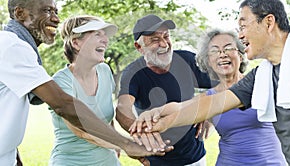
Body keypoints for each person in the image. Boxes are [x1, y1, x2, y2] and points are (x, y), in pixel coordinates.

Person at [130, 0, 290, 165]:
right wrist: (160, 120)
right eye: (215, 51)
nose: (241, 35)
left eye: (243, 26)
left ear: (268, 22)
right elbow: (209, 104)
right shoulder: (261, 76)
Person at [0, 0, 163, 165]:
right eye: (48, 10)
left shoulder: (104, 71)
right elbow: (65, 106)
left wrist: (14, 159)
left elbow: (7, 112)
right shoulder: (12, 46)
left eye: (56, 11)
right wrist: (127, 144)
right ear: (20, 14)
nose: (56, 19)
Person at [116, 14, 211, 166]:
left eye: (166, 36)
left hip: (196, 158)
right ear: (139, 47)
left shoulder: (187, 60)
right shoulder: (133, 73)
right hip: (157, 160)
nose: (164, 44)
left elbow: (226, 85)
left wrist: (207, 110)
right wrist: (140, 133)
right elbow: (122, 109)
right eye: (154, 39)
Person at [196, 29, 286, 165]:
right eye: (214, 51)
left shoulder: (262, 83)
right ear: (208, 60)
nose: (222, 55)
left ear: (240, 54)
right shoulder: (207, 99)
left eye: (228, 48)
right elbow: (180, 117)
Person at [48, 15, 122, 165]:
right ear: (76, 43)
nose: (105, 40)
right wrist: (127, 145)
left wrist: (115, 144)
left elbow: (106, 117)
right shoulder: (61, 82)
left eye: (105, 35)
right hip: (71, 161)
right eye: (97, 34)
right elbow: (81, 131)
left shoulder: (105, 71)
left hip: (107, 160)